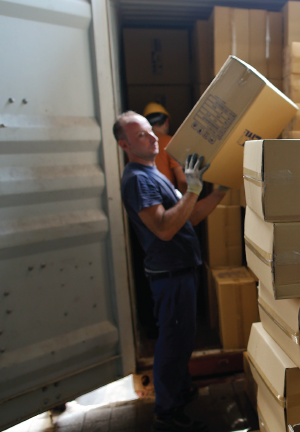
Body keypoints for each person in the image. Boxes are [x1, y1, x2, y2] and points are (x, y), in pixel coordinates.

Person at [115, 111, 227, 432]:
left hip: (182, 270)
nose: (152, 138)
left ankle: (180, 390)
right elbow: (164, 229)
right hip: (170, 275)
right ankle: (166, 412)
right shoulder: (137, 180)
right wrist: (193, 188)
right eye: (140, 135)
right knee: (173, 344)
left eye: (151, 131)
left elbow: (186, 218)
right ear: (124, 144)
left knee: (182, 340)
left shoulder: (153, 173)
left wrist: (218, 191)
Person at [143, 102, 187, 192]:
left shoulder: (138, 145)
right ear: (166, 122)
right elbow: (182, 180)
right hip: (166, 198)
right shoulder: (170, 142)